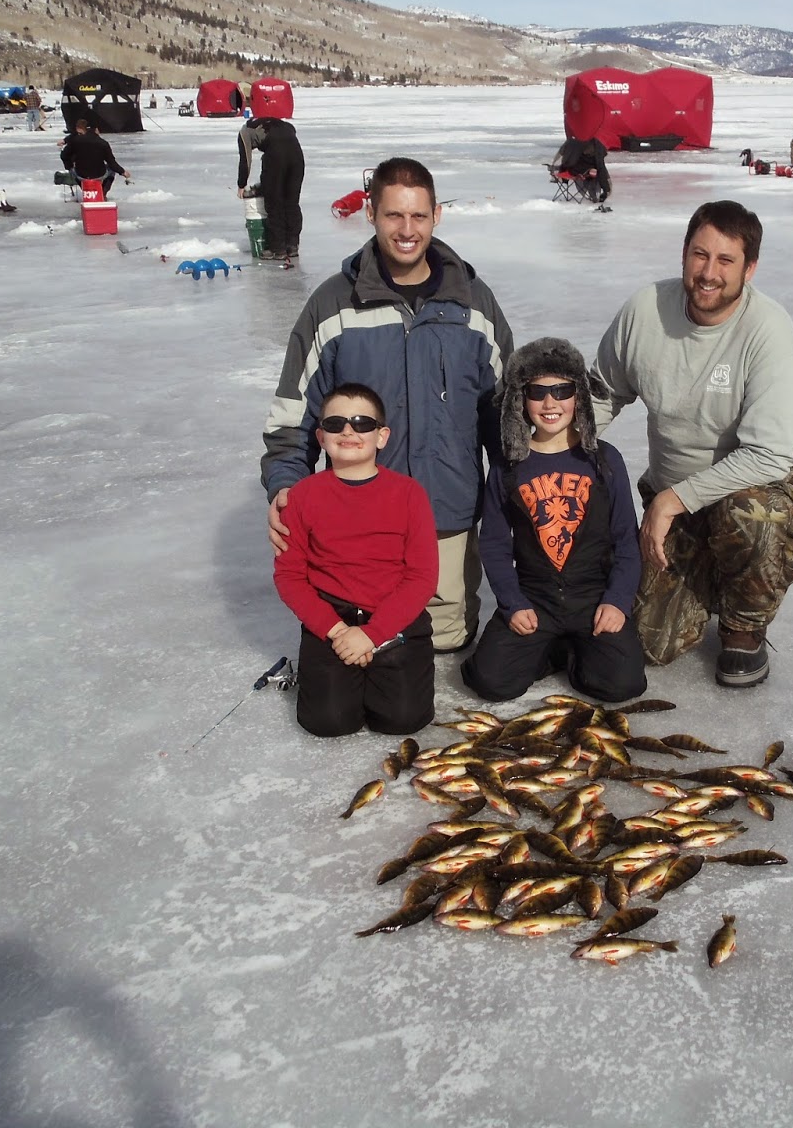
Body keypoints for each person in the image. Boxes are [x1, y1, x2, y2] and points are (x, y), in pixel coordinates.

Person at [263, 156, 513, 653]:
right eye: (394, 215)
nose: (407, 230)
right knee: (360, 651)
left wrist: (519, 496)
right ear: (370, 214)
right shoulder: (333, 305)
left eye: (418, 215)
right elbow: (295, 415)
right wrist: (285, 484)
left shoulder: (474, 304)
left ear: (436, 215)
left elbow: (504, 419)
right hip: (353, 527)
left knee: (443, 646)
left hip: (446, 516)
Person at [591, 200, 793, 689]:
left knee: (753, 515)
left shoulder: (768, 330)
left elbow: (769, 454)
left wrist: (671, 500)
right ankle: (704, 572)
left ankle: (743, 627)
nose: (709, 273)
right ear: (685, 253)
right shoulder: (645, 310)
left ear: (749, 269)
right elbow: (602, 393)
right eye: (700, 255)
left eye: (725, 260)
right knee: (644, 643)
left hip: (748, 492)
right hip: (675, 501)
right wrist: (554, 451)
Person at [460, 337, 646, 704]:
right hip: (536, 597)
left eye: (562, 391)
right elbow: (495, 545)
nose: (550, 403)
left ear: (579, 396)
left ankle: (572, 650)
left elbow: (626, 539)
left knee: (623, 684)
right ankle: (547, 648)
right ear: (520, 399)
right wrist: (512, 603)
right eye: (537, 392)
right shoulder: (508, 466)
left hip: (592, 596)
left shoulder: (604, 460)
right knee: (490, 682)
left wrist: (617, 600)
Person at [273, 382, 439, 737]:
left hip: (393, 619)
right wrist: (338, 632)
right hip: (333, 619)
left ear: (381, 436)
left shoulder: (409, 494)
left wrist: (372, 635)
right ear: (321, 437)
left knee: (403, 718)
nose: (348, 431)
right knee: (328, 721)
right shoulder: (302, 496)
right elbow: (290, 577)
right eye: (335, 424)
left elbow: (422, 577)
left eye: (362, 423)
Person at [237, 117, 305, 261]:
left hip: (276, 155)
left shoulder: (245, 132)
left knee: (274, 203)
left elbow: (245, 160)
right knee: (292, 202)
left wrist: (241, 184)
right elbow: (291, 131)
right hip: (297, 155)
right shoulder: (282, 124)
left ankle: (278, 249)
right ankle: (292, 245)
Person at [59, 117, 130, 195]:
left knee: (74, 171)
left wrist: (69, 166)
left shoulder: (74, 141)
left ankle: (85, 189)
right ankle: (103, 192)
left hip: (80, 174)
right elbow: (112, 163)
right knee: (111, 170)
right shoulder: (103, 143)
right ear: (96, 130)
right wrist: (122, 172)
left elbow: (64, 156)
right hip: (99, 174)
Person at [550, 136, 611, 205]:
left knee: (594, 170)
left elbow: (561, 155)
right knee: (596, 171)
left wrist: (554, 165)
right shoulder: (596, 144)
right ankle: (599, 192)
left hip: (570, 170)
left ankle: (598, 191)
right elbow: (601, 165)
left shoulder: (571, 141)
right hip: (584, 172)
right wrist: (606, 189)